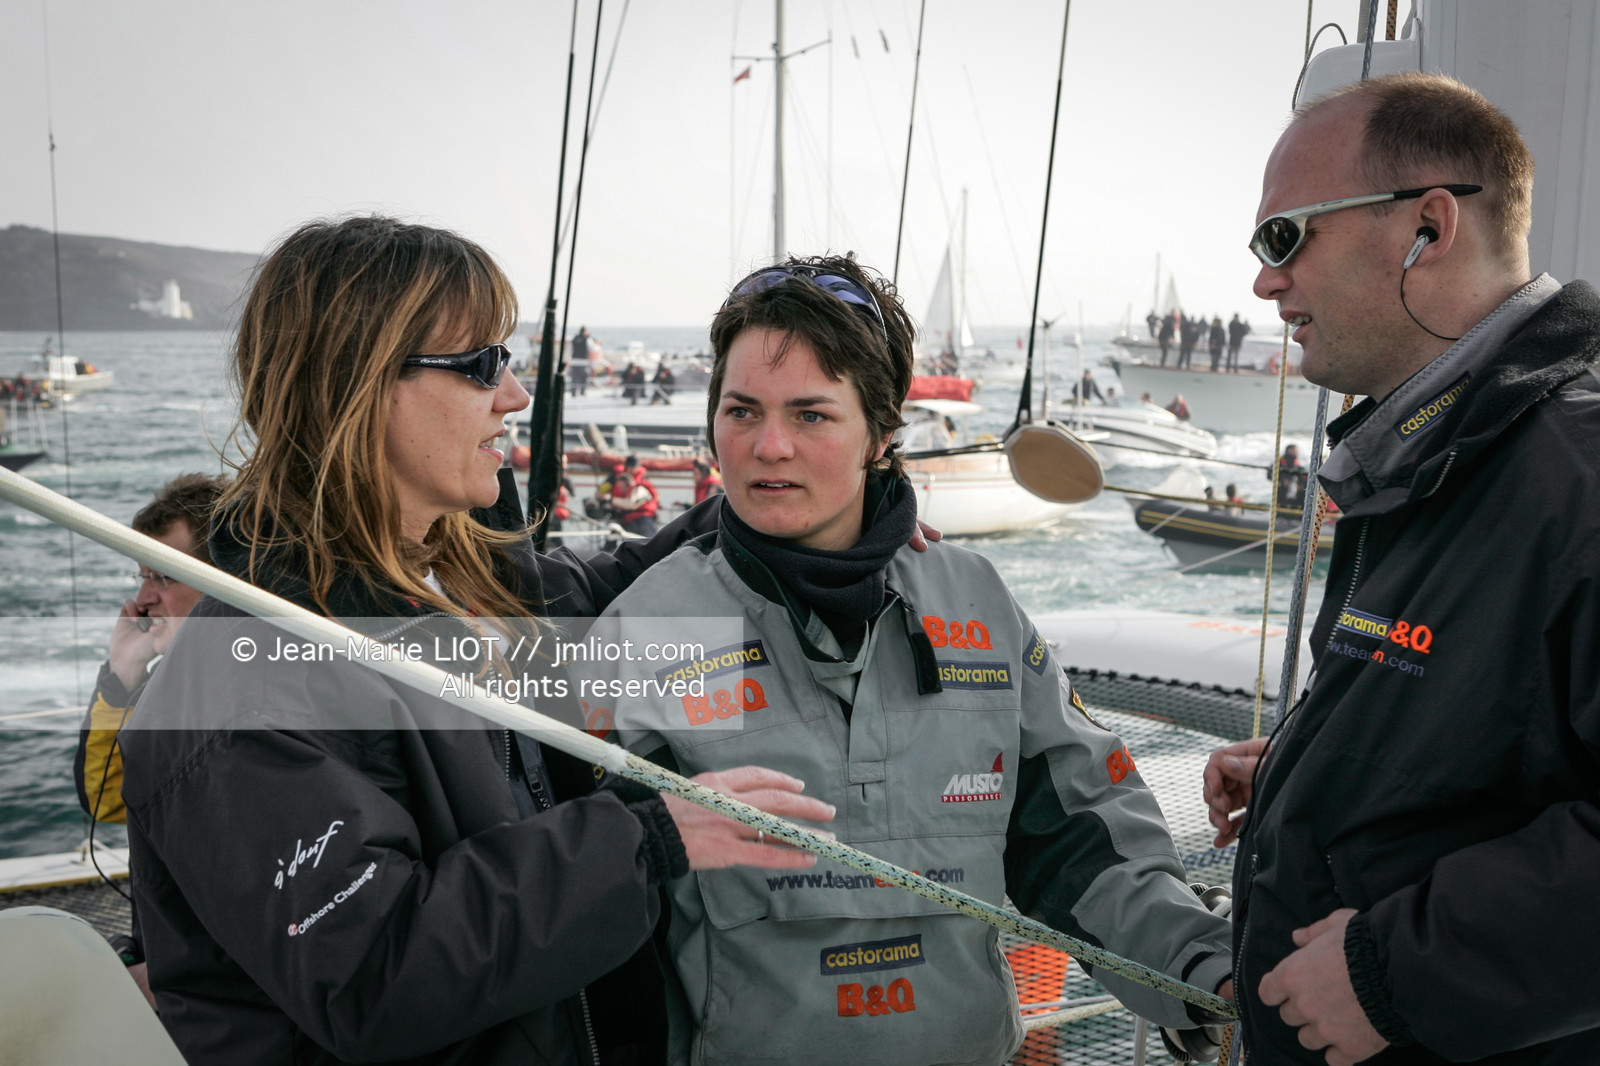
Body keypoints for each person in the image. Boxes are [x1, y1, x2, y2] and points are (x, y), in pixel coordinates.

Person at [117, 216, 839, 1066]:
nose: (514, 395)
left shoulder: (474, 588)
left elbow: (637, 576)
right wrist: (645, 841)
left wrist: (817, 504)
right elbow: (373, 973)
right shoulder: (239, 683)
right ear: (356, 386)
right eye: (480, 366)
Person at [580, 255, 1234, 1065]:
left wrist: (1209, 977)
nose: (768, 446)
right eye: (741, 411)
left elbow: (1084, 845)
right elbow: (582, 905)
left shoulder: (976, 602)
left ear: (883, 435)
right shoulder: (643, 629)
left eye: (812, 415)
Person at [1205, 73, 1600, 1065]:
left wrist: (1397, 968)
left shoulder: (1578, 472)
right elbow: (1499, 747)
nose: (1263, 281)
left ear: (1429, 226)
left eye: (1284, 237)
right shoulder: (1441, 460)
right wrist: (1315, 778)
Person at [73, 472, 227, 1009]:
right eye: (141, 577)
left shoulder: (256, 699)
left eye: (163, 576)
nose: (143, 599)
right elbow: (109, 798)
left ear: (225, 577)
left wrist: (177, 983)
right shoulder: (172, 688)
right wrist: (120, 680)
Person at [1273, 443, 1306, 509]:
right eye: (1295, 450)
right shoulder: (1279, 463)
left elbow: (1303, 478)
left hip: (1295, 492)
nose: (1297, 452)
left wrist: (1300, 486)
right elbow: (1271, 474)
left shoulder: (1298, 466)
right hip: (1281, 491)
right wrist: (1282, 481)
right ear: (1289, 450)